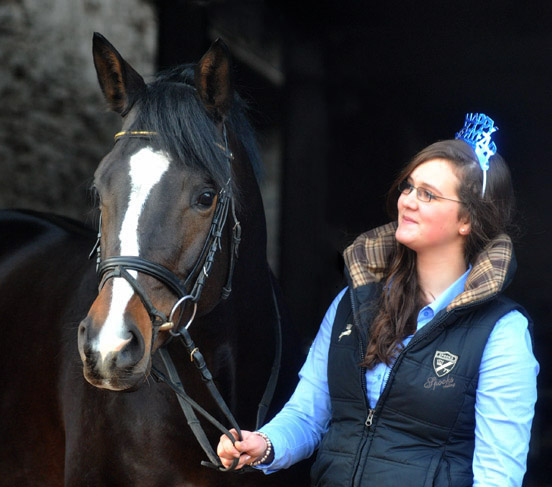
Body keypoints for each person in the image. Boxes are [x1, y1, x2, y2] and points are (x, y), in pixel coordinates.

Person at [216, 113, 539, 486]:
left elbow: (497, 477)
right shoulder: (350, 304)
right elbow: (307, 415)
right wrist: (264, 444)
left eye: (428, 194)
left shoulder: (501, 333)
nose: (408, 201)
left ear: (466, 220)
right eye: (408, 187)